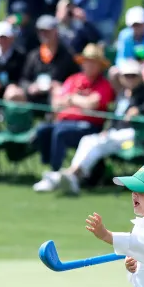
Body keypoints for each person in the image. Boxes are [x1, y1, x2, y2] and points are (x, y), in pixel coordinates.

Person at [58, 58, 144, 195]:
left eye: (133, 76)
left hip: (133, 136)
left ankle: (73, 174)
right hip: (116, 133)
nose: (130, 79)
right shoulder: (122, 94)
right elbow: (114, 116)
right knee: (89, 141)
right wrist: (107, 129)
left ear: (139, 77)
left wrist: (138, 110)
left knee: (98, 144)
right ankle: (75, 175)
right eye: (127, 76)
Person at [31, 45, 115, 192]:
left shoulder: (104, 84)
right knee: (43, 129)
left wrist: (72, 99)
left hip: (89, 126)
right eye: (87, 61)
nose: (89, 64)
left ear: (100, 66)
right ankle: (51, 168)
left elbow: (92, 104)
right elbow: (57, 102)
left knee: (60, 132)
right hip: (64, 122)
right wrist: (78, 101)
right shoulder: (73, 79)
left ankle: (54, 175)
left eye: (93, 62)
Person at [5, 14, 79, 106]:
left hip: (57, 97)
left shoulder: (67, 55)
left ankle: (56, 120)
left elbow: (76, 79)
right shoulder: (33, 55)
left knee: (58, 94)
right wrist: (30, 87)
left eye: (47, 31)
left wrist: (59, 86)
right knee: (12, 92)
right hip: (34, 95)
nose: (43, 34)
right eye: (41, 31)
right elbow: (24, 79)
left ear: (55, 31)